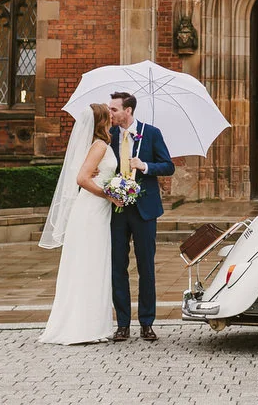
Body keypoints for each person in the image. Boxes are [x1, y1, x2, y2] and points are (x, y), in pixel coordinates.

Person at [38, 103, 120, 345]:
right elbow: (82, 178)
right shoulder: (99, 146)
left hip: (97, 211)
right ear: (102, 121)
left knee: (92, 265)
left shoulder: (98, 145)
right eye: (109, 114)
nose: (113, 116)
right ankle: (82, 328)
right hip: (91, 212)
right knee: (89, 265)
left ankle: (91, 325)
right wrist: (109, 194)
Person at [107, 91, 174, 342]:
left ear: (129, 110)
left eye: (114, 109)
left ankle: (147, 322)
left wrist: (144, 166)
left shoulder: (152, 133)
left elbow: (168, 165)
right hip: (117, 210)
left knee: (146, 268)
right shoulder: (108, 135)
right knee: (117, 267)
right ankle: (122, 323)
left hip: (145, 210)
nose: (110, 113)